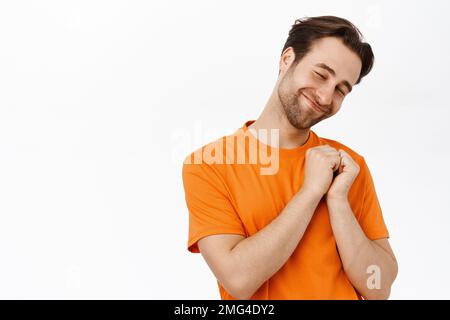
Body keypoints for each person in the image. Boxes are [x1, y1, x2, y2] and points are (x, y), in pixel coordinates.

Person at [182, 16, 398, 300]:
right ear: (287, 59)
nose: (324, 96)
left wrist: (337, 201)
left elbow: (377, 287)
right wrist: (310, 192)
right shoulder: (209, 165)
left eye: (341, 90)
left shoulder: (348, 167)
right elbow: (239, 279)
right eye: (321, 74)